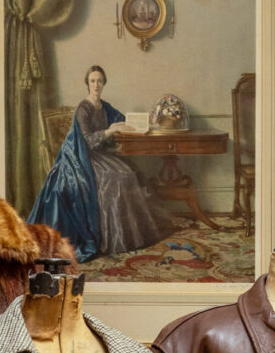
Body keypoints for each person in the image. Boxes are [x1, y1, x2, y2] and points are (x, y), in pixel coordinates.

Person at [28, 65, 175, 262]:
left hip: (99, 155)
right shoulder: (83, 108)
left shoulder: (104, 106)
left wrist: (142, 123)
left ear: (104, 83)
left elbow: (123, 120)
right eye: (92, 81)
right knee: (113, 177)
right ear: (87, 84)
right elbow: (88, 140)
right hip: (79, 157)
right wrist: (111, 130)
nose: (96, 85)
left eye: (99, 81)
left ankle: (127, 234)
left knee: (129, 172)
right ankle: (110, 238)